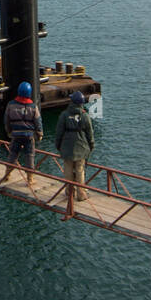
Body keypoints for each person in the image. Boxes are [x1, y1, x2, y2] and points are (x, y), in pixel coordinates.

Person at [54, 91, 95, 220]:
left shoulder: (64, 115)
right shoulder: (85, 116)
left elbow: (59, 133)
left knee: (68, 170)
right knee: (80, 170)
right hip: (81, 147)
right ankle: (81, 193)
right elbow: (90, 134)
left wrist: (58, 145)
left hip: (67, 147)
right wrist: (91, 146)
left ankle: (69, 192)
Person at [0, 81, 42, 189]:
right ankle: (30, 179)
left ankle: (7, 174)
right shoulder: (33, 107)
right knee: (29, 155)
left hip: (16, 135)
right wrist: (40, 133)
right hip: (29, 135)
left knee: (13, 154)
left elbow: (6, 120)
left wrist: (8, 131)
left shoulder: (11, 105)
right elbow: (38, 121)